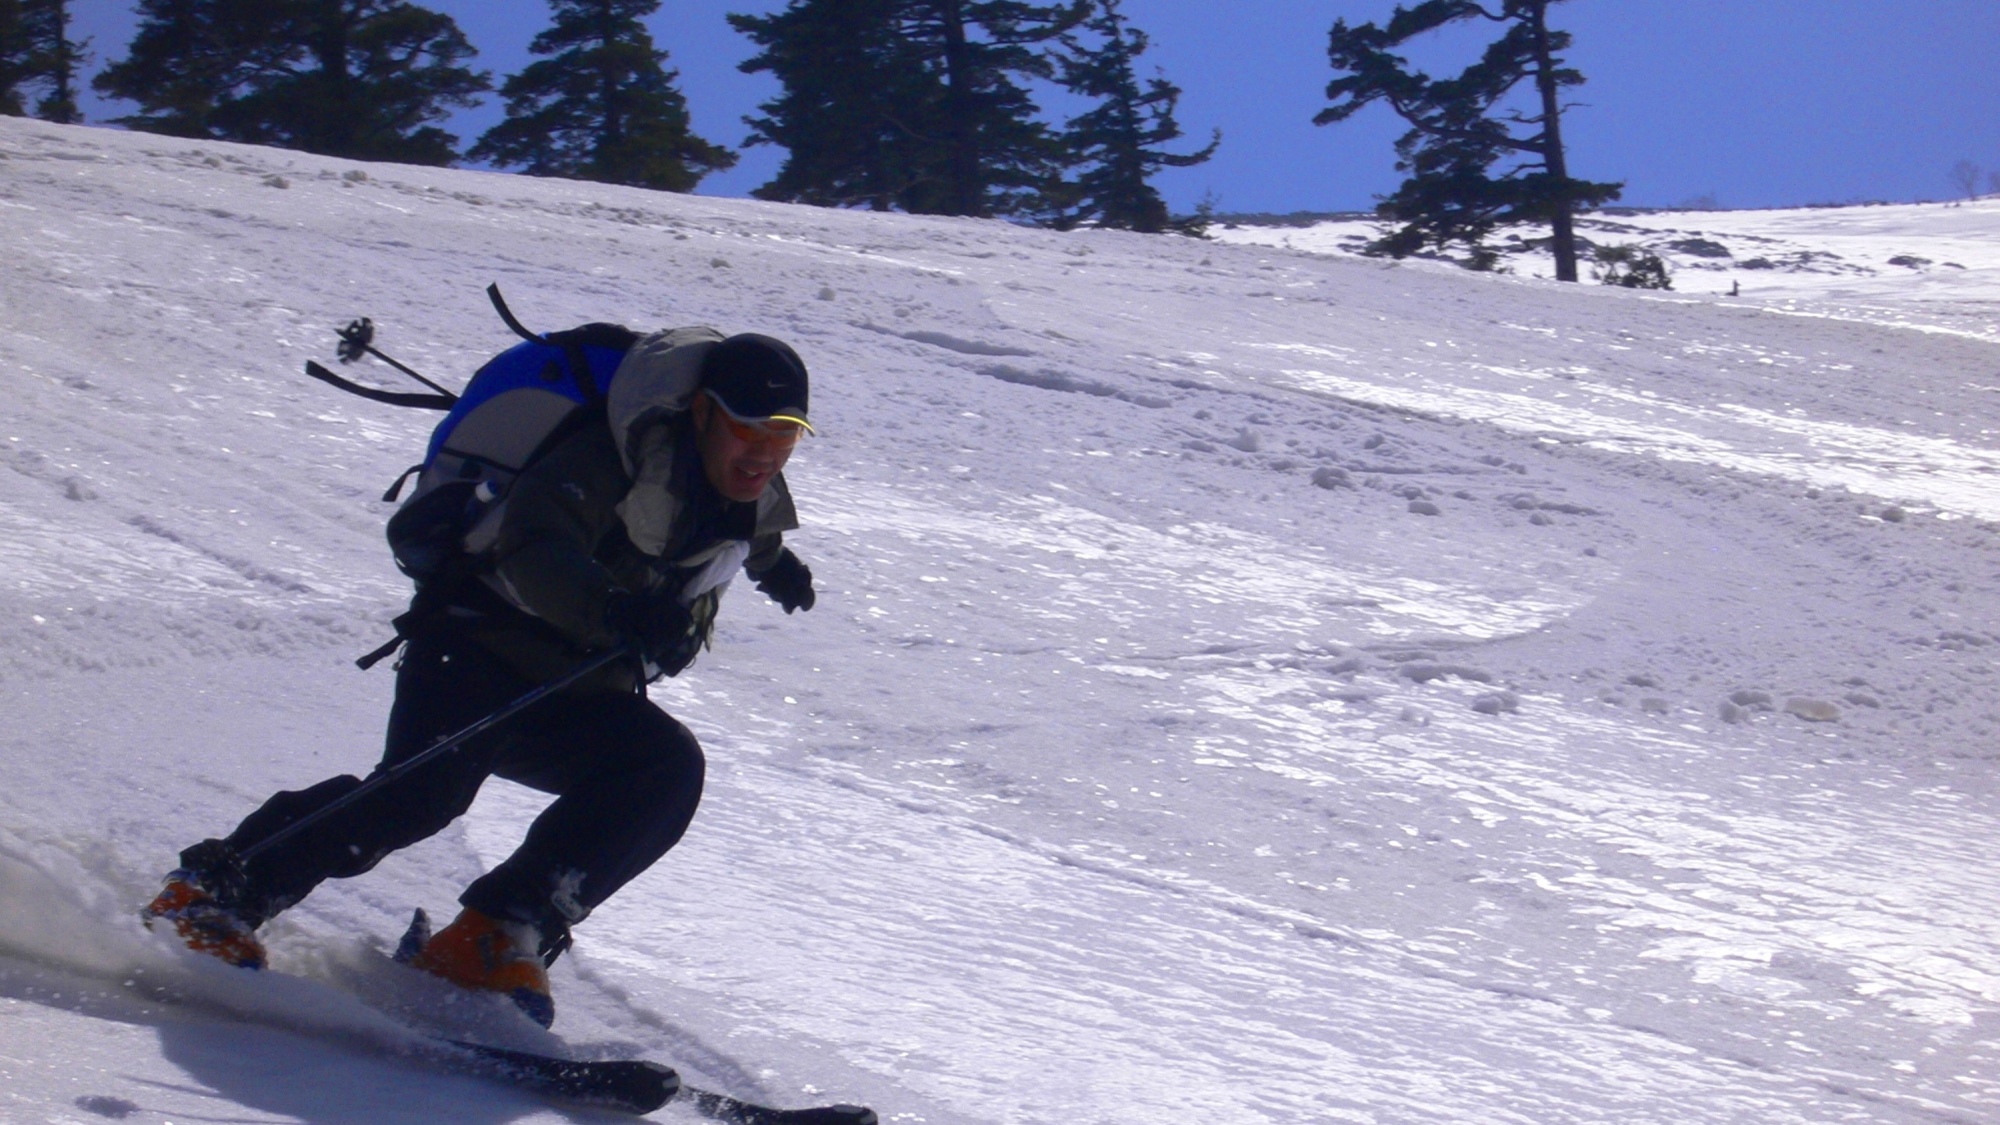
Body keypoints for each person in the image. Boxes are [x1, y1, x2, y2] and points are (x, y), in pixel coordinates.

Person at [141, 329, 819, 1028]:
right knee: (418, 795)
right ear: (702, 412)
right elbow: (532, 542)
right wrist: (615, 607)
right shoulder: (607, 456)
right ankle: (217, 889)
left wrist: (778, 570)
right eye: (748, 427)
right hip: (473, 646)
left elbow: (751, 530)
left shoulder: (742, 486)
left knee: (662, 768)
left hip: (571, 689)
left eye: (786, 433)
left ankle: (493, 935)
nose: (765, 451)